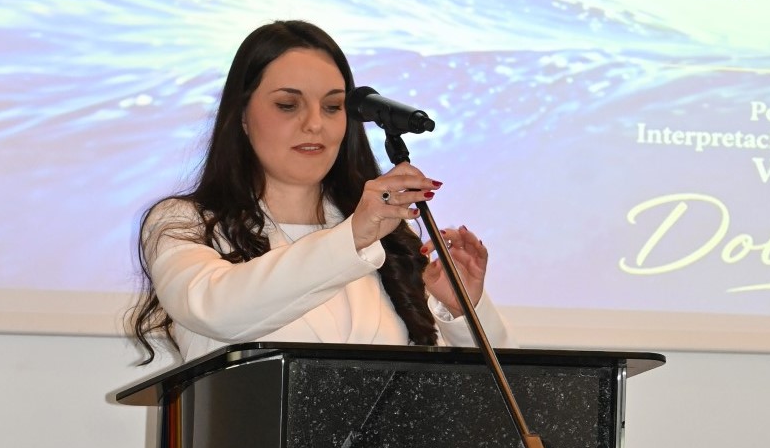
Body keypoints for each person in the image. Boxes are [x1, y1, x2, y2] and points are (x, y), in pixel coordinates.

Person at [130, 20, 511, 364]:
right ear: (243, 115)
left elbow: (487, 396)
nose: (315, 123)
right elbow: (217, 311)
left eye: (332, 106)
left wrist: (460, 309)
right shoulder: (184, 223)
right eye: (287, 105)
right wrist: (352, 237)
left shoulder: (387, 238)